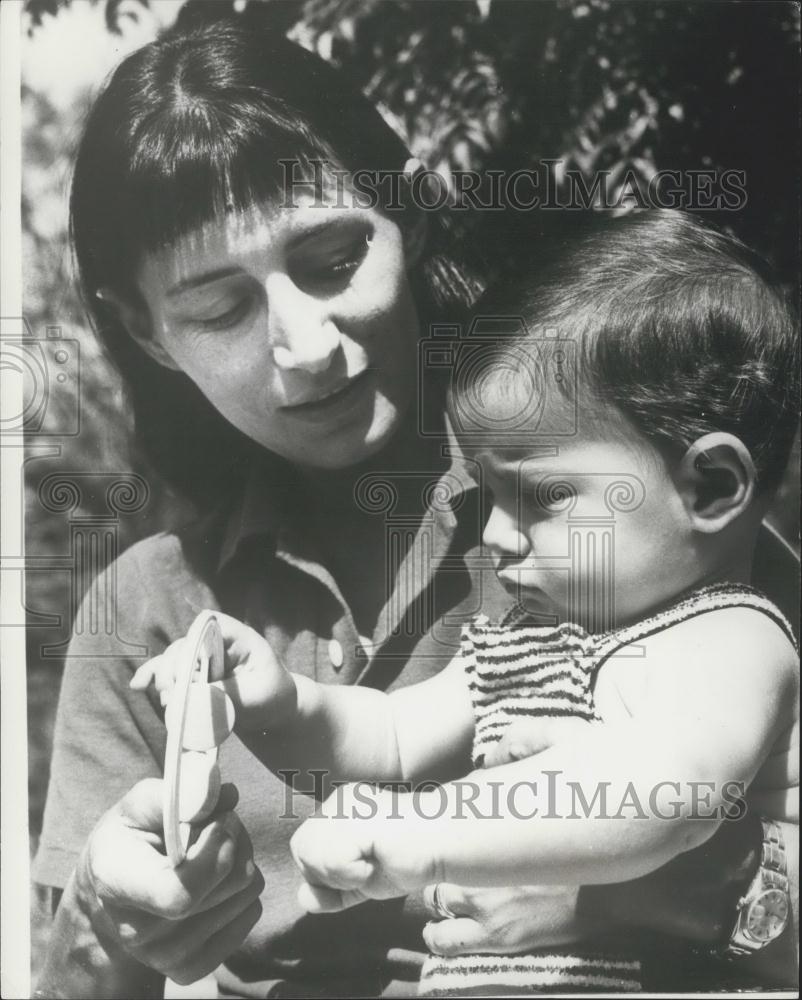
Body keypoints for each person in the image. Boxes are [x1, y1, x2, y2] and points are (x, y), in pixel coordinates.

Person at [34, 15, 799, 999]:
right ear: (145, 331)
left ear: (414, 216)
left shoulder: (627, 520)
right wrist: (109, 905)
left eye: (331, 260)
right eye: (221, 309)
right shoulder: (146, 607)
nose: (305, 345)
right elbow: (72, 982)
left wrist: (669, 895)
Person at [133, 209, 800, 994]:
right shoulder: (530, 641)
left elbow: (662, 794)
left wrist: (419, 834)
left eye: (544, 497)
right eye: (489, 497)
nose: (502, 536)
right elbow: (391, 733)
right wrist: (281, 702)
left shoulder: (730, 639)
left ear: (712, 487)